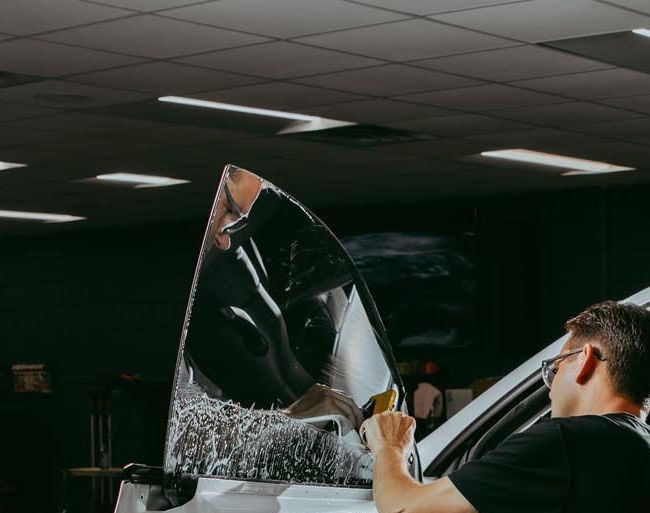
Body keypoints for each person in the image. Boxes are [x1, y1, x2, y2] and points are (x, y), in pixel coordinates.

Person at [361, 300, 650, 513]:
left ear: (585, 359)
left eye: (555, 368)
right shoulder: (634, 445)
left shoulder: (570, 441)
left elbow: (403, 509)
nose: (551, 391)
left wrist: (389, 446)